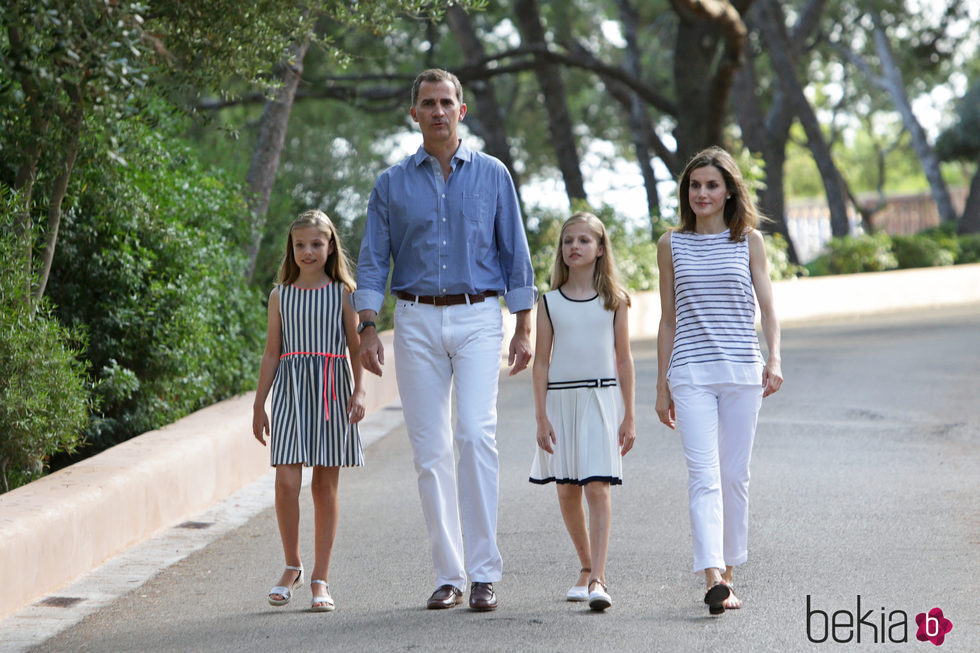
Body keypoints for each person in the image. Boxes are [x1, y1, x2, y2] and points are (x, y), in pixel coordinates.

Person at [353, 68, 536, 612]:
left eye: (446, 102)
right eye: (427, 103)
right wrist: (367, 325)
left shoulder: (492, 174)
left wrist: (524, 324)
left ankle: (484, 573)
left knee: (476, 436)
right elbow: (371, 261)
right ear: (414, 113)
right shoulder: (390, 183)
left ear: (462, 111)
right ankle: (450, 574)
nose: (437, 111)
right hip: (413, 319)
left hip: (480, 315)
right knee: (430, 450)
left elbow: (515, 251)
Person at [655, 146, 783, 615]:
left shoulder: (749, 240)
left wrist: (776, 359)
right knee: (703, 476)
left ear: (729, 190)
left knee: (734, 476)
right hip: (690, 373)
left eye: (711, 185)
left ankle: (730, 568)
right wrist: (660, 382)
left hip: (743, 373)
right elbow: (668, 319)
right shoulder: (672, 244)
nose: (702, 193)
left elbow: (768, 308)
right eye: (695, 185)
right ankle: (713, 575)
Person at [253, 209, 366, 612]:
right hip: (289, 395)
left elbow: (355, 349)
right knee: (285, 482)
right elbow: (271, 354)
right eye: (300, 244)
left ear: (330, 245)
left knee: (323, 487)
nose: (308, 251)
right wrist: (258, 404)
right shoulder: (279, 295)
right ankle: (291, 565)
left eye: (316, 243)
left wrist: (360, 392)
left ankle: (320, 577)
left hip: (332, 393)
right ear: (292, 248)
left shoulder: (343, 293)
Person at [528, 212, 636, 612]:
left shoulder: (616, 300)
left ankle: (599, 579)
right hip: (560, 402)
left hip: (600, 399)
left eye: (584, 241)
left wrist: (629, 415)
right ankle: (585, 565)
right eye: (568, 241)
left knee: (597, 485)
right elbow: (541, 362)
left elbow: (624, 361)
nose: (574, 246)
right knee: (566, 487)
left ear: (600, 248)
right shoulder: (549, 303)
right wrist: (540, 416)